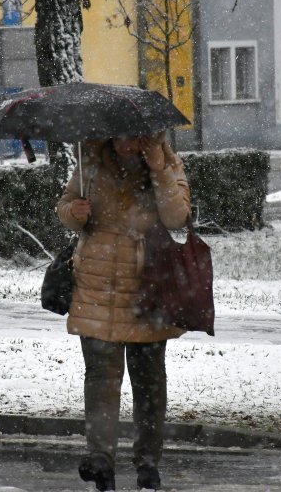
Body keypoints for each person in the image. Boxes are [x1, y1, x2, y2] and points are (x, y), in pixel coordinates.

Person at [56, 132, 191, 492]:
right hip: (97, 287)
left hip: (147, 290)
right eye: (121, 139)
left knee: (149, 385)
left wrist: (159, 169)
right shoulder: (91, 163)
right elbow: (65, 208)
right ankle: (101, 461)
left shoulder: (166, 163)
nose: (128, 145)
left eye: (136, 138)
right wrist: (75, 213)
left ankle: (148, 463)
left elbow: (177, 217)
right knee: (101, 380)